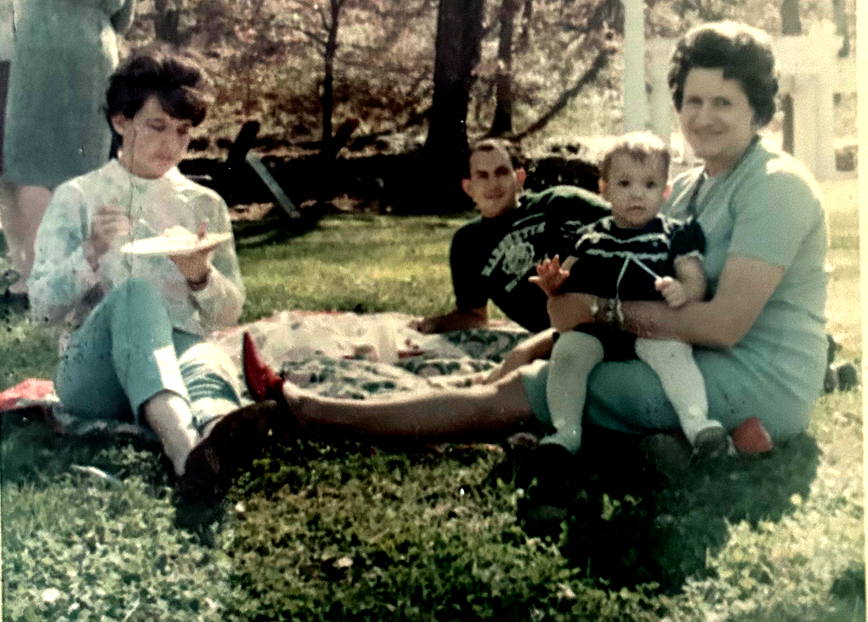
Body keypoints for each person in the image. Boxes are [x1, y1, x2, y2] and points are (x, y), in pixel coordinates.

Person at [243, 20, 826, 503]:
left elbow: (724, 325)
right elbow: (635, 292)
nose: (703, 116)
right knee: (548, 365)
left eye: (723, 101)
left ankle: (312, 413)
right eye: (692, 100)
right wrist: (547, 331)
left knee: (528, 393)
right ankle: (649, 443)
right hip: (691, 365)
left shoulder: (776, 186)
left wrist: (596, 310)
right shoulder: (691, 187)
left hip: (755, 379)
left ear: (759, 108)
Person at [28, 49, 286, 500]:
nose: (171, 145)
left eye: (183, 131)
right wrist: (89, 254)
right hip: (95, 375)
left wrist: (201, 276)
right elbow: (42, 310)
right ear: (120, 122)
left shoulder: (203, 205)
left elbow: (227, 315)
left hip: (181, 351)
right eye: (157, 126)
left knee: (203, 354)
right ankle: (186, 451)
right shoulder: (79, 197)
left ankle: (216, 434)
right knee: (136, 296)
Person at [529, 132, 729, 468]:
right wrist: (552, 284)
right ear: (603, 188)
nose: (637, 193)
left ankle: (697, 423)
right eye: (624, 184)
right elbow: (564, 280)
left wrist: (683, 291)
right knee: (567, 353)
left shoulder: (673, 233)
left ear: (665, 192)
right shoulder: (589, 235)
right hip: (595, 328)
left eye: (650, 185)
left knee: (673, 352)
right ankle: (565, 433)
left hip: (650, 324)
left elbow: (694, 276)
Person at [1, 0, 136, 302]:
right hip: (93, 49)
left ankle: (38, 277)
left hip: (37, 44)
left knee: (31, 166)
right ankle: (86, 275)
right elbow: (124, 19)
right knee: (87, 164)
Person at [413, 138, 609, 334]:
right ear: (468, 187)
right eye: (482, 175)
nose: (493, 184)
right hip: (552, 335)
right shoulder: (467, 243)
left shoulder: (560, 201)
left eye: (501, 172)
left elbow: (627, 219)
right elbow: (474, 316)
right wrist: (433, 324)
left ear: (519, 178)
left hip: (605, 312)